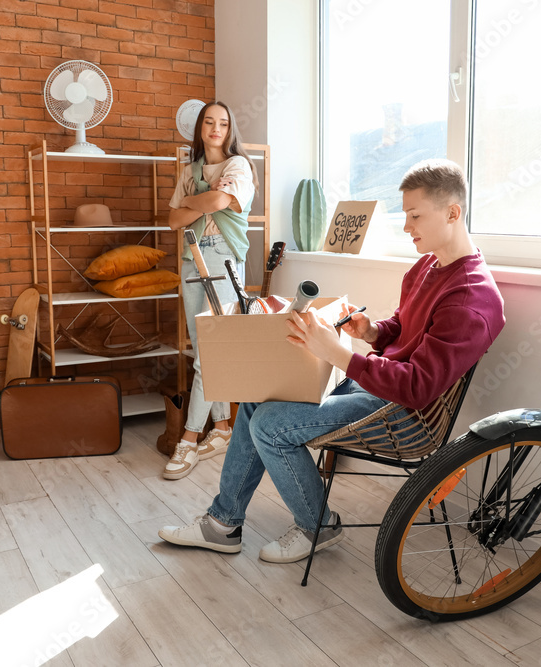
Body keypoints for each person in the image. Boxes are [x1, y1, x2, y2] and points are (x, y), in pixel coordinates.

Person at [159, 158, 505, 562]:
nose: (407, 226)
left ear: (452, 213)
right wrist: (372, 331)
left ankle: (317, 525)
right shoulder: (430, 265)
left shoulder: (471, 298)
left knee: (270, 425)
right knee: (257, 396)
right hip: (377, 388)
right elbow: (404, 326)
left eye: (414, 216)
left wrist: (337, 353)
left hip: (405, 414)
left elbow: (416, 388)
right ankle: (223, 523)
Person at [163, 101, 258, 480]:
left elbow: (220, 201)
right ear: (200, 128)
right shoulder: (189, 171)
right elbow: (173, 221)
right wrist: (196, 202)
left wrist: (192, 202)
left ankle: (187, 440)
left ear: (230, 129)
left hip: (221, 260)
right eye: (209, 122)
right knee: (201, 348)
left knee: (210, 352)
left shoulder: (238, 167)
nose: (216, 128)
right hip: (191, 259)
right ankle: (221, 429)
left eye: (222, 123)